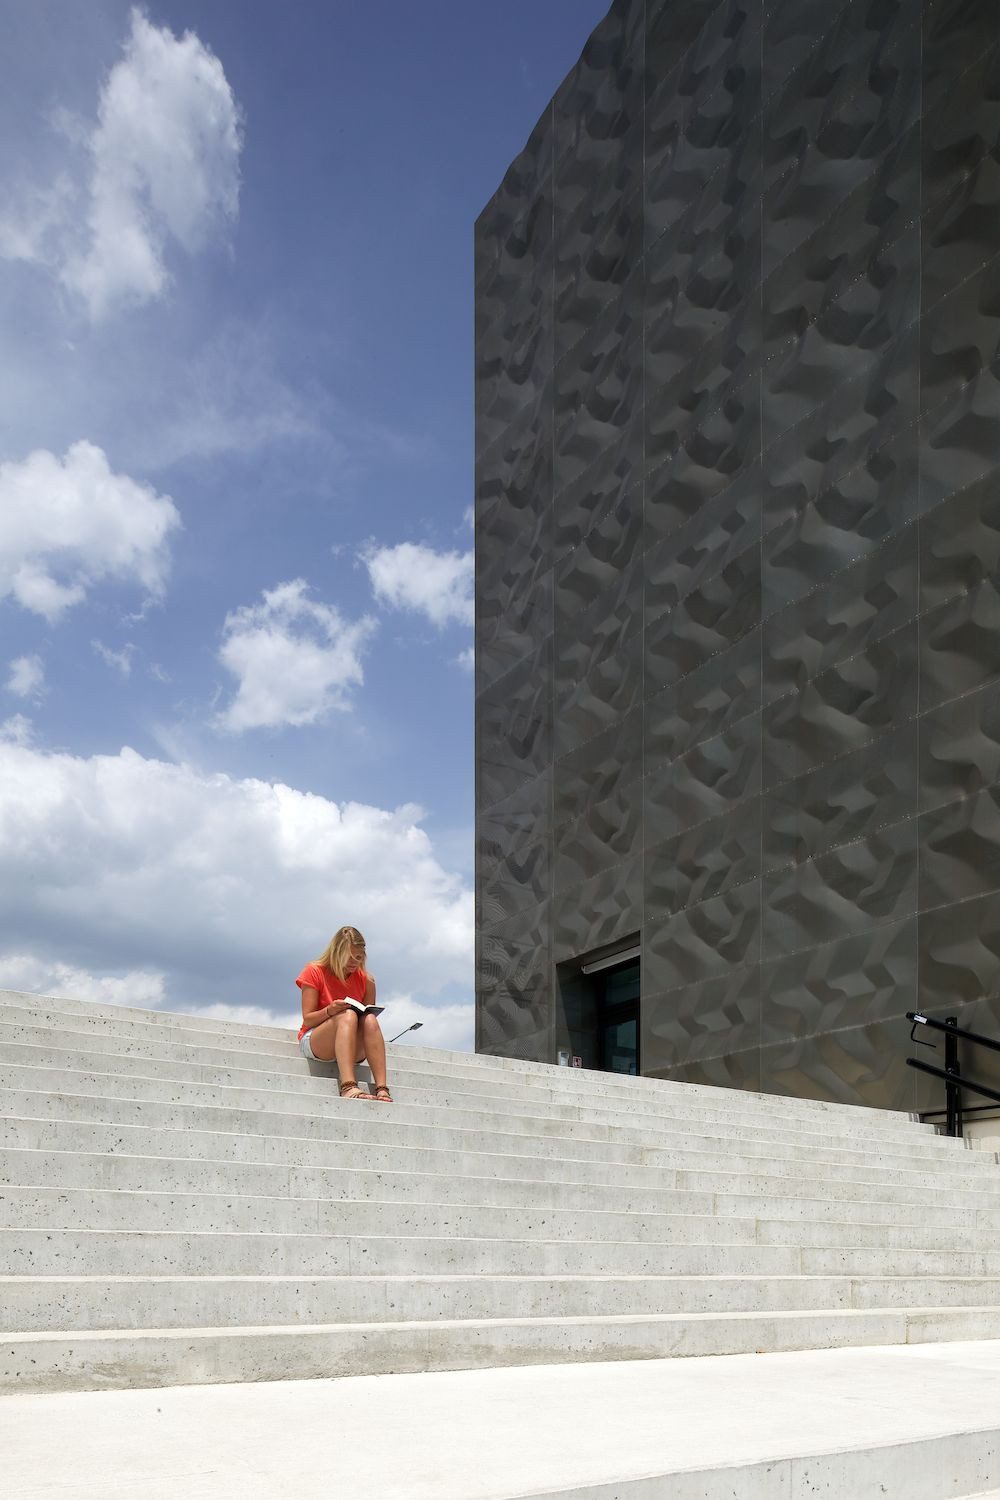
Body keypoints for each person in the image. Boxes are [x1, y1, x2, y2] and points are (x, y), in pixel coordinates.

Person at [295, 926, 392, 1102]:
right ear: (336, 952)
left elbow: (366, 1019)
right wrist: (329, 1011)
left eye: (359, 957)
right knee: (347, 1015)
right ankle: (348, 1085)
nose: (354, 962)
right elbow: (308, 1019)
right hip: (317, 1040)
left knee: (369, 1019)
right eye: (349, 956)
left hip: (351, 1043)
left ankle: (382, 1087)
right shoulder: (314, 970)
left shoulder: (367, 980)